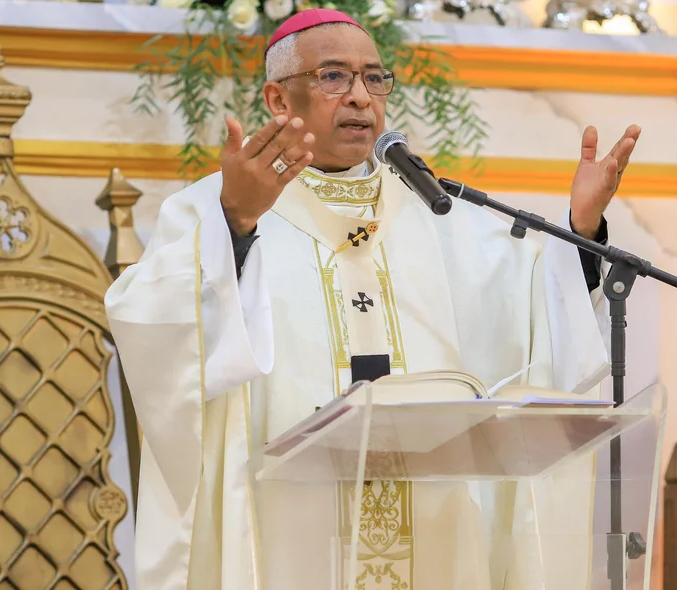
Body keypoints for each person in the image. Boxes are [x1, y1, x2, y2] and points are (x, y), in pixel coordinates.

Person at [105, 8, 641, 590]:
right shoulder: (216, 207)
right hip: (290, 530)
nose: (361, 97)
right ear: (278, 101)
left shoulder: (438, 213)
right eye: (333, 77)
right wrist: (234, 223)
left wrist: (580, 234)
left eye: (374, 78)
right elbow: (152, 327)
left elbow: (535, 321)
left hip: (435, 527)